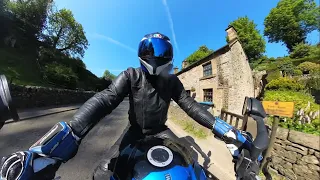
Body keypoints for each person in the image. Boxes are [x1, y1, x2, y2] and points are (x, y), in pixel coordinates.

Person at [0, 33, 247, 180]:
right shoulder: (130, 75)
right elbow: (105, 99)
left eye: (162, 54)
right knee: (107, 169)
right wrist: (70, 132)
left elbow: (190, 105)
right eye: (151, 52)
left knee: (188, 167)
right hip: (133, 133)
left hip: (161, 133)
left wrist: (221, 127)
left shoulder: (172, 81)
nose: (156, 57)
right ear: (142, 55)